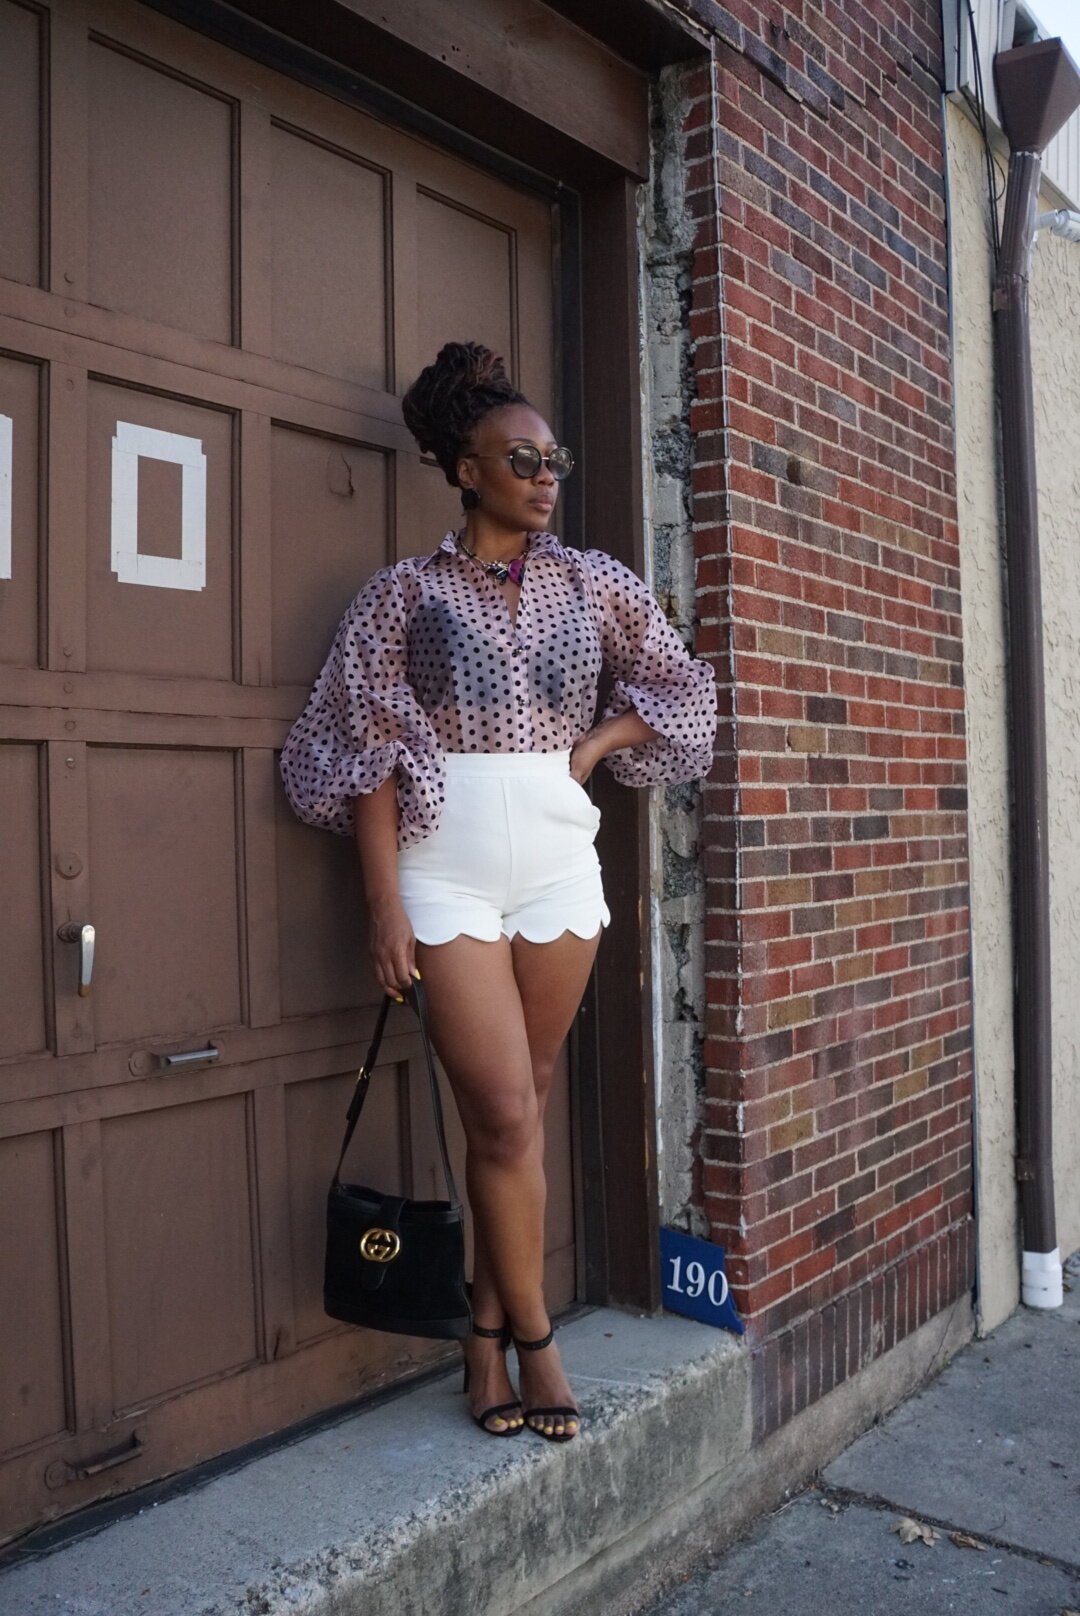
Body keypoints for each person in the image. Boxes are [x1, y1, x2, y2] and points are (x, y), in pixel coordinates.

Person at [280, 341, 717, 1442]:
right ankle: (536, 1341)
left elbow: (680, 685)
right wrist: (385, 906)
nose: (545, 473)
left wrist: (596, 745)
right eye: (520, 456)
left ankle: (480, 1331)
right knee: (511, 1111)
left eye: (553, 455)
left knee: (515, 1107)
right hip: (446, 867)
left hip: (561, 863)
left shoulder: (594, 581)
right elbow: (367, 749)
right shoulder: (405, 595)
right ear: (465, 468)